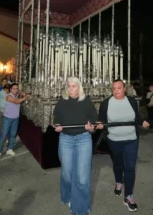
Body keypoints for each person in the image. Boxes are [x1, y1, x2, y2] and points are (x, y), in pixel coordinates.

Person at [97, 79, 150, 212]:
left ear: (124, 88)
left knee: (130, 167)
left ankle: (128, 196)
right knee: (118, 164)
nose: (116, 91)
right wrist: (100, 124)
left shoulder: (131, 101)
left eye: (119, 88)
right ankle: (119, 182)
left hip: (131, 139)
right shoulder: (106, 103)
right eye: (114, 88)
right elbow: (101, 119)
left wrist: (143, 122)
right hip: (114, 140)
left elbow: (137, 117)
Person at [53, 77, 97, 215]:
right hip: (65, 139)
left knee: (82, 177)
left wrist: (91, 128)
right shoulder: (62, 102)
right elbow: (56, 118)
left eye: (74, 86)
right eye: (69, 86)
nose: (71, 88)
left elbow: (94, 122)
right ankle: (68, 196)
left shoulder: (87, 102)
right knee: (67, 173)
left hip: (83, 139)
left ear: (79, 88)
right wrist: (57, 126)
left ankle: (81, 208)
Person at [0, 83, 29, 159]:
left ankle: (9, 149)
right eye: (14, 88)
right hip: (7, 119)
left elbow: (19, 97)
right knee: (4, 135)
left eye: (16, 88)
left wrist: (22, 94)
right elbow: (16, 102)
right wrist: (25, 97)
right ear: (10, 89)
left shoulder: (16, 95)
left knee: (13, 135)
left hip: (15, 119)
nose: (15, 90)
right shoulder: (8, 96)